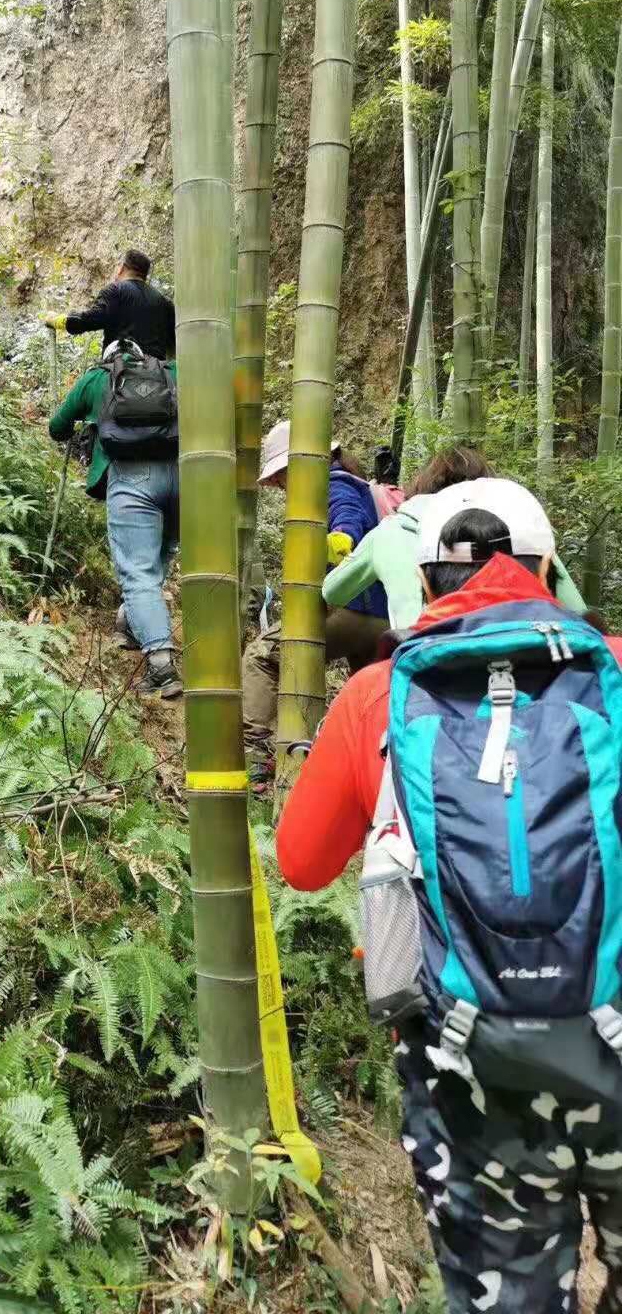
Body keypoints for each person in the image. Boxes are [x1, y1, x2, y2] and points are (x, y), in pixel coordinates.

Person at [276, 479, 622, 1313]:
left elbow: (299, 862)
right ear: (547, 568)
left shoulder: (377, 697)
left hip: (470, 1075)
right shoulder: (613, 667)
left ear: (424, 582)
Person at [45, 250, 181, 699]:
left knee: (138, 574)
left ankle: (161, 663)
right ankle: (131, 620)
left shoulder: (100, 376)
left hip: (132, 481)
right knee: (154, 565)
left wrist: (63, 322)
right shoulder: (178, 373)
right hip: (184, 480)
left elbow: (56, 427)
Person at [242, 419, 388, 752]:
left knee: (261, 654)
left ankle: (255, 750)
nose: (279, 485)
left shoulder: (335, 486)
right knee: (373, 696)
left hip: (355, 610)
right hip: (381, 615)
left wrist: (341, 539)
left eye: (280, 476)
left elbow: (347, 517)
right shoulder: (355, 483)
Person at [323, 446, 590, 629]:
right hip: (535, 669)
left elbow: (332, 590)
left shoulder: (392, 531)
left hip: (420, 669)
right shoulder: (522, 533)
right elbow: (579, 612)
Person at [42, 248, 176, 361]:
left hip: (121, 367)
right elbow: (174, 342)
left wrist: (56, 320)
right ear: (145, 275)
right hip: (158, 371)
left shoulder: (116, 290)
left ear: (122, 268)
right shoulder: (164, 302)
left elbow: (89, 320)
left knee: (80, 391)